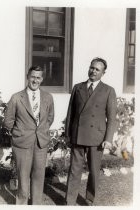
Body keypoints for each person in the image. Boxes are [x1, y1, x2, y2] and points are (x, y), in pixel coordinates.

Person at [65, 57, 117, 205]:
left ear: (103, 73)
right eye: (92, 68)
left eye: (97, 69)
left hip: (97, 138)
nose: (93, 71)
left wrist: (108, 139)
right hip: (78, 135)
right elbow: (71, 113)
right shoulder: (78, 87)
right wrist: (68, 134)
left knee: (94, 172)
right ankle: (69, 201)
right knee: (74, 170)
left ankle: (89, 199)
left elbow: (112, 118)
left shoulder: (108, 90)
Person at [4, 66, 54, 205]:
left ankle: (36, 205)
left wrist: (41, 131)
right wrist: (20, 132)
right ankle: (22, 205)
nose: (35, 80)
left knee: (39, 177)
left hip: (40, 143)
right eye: (33, 77)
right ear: (27, 77)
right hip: (22, 143)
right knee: (23, 178)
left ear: (42, 79)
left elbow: (50, 118)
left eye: (38, 77)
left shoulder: (48, 97)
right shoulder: (16, 97)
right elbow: (8, 121)